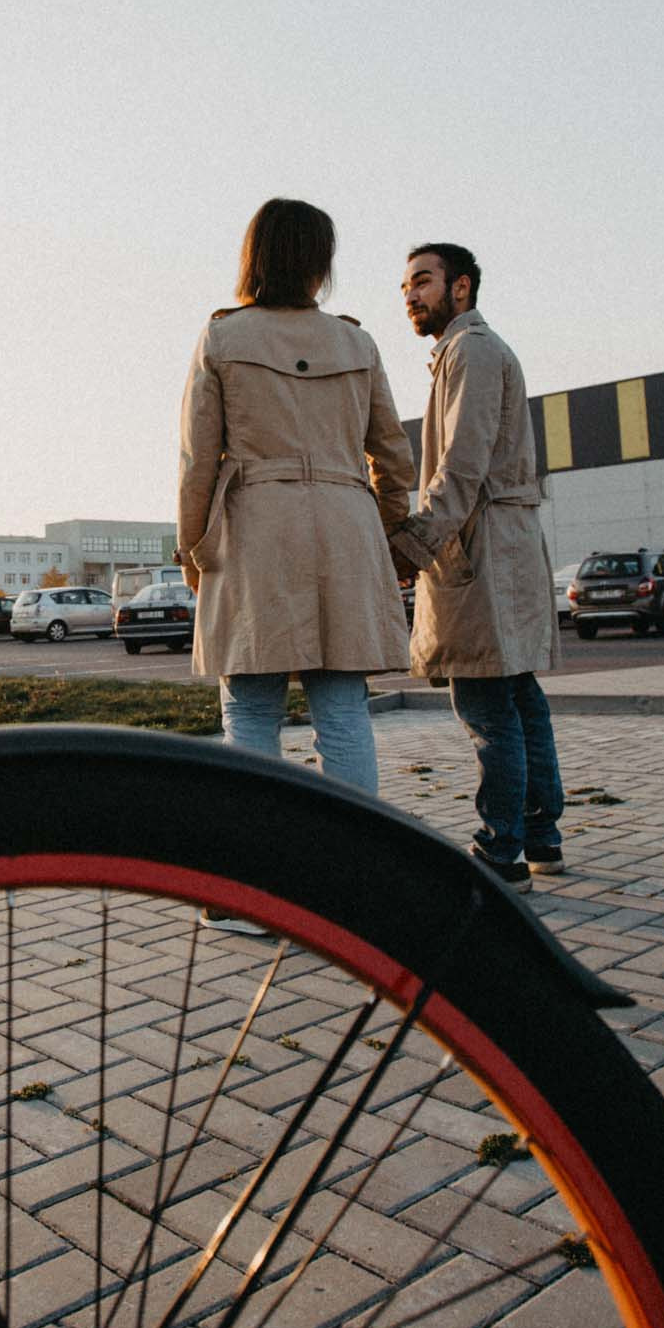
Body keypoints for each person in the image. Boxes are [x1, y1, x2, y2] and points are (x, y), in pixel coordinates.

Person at [178, 199, 417, 929]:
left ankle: (250, 890)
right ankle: (357, 881)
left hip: (255, 527)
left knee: (249, 708)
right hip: (345, 523)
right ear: (321, 260)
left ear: (253, 254)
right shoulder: (359, 343)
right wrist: (378, 530)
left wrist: (195, 547)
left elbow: (197, 461)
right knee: (343, 709)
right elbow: (395, 457)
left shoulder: (222, 336)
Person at [389, 242, 565, 892]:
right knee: (518, 694)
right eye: (405, 286)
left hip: (482, 544)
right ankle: (541, 837)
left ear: (460, 287)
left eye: (422, 282)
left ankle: (501, 850)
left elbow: (460, 465)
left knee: (487, 700)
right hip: (499, 541)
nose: (410, 295)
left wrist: (413, 545)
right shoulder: (468, 352)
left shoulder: (472, 350)